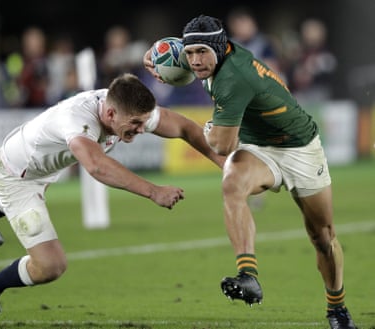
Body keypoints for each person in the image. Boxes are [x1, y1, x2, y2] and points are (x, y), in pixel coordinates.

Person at [0, 73, 225, 327]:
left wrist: (224, 164)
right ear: (109, 113)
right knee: (50, 266)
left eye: (143, 122)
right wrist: (154, 191)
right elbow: (96, 166)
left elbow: (185, 127)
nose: (142, 130)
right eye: (136, 124)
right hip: (15, 175)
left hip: (39, 163)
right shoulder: (77, 120)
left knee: (11, 205)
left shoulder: (125, 105)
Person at [143, 15, 355, 329]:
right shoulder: (214, 53)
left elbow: (222, 146)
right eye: (189, 55)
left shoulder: (233, 79)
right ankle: (248, 275)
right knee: (232, 182)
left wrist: (211, 128)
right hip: (258, 146)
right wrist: (155, 55)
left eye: (201, 53)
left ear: (217, 48)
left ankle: (337, 309)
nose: (195, 61)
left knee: (322, 237)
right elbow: (190, 45)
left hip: (300, 148)